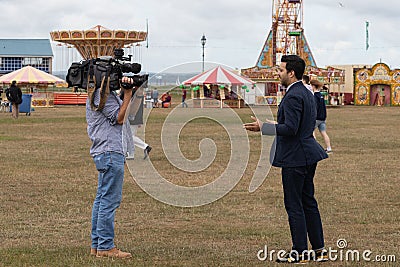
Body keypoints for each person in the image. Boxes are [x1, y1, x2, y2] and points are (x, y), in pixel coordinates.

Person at [244, 55, 328, 264]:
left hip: (296, 156)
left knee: (294, 204)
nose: (277, 73)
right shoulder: (307, 92)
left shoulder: (292, 96)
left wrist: (264, 127)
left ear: (291, 73)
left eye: (281, 70)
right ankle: (319, 250)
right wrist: (272, 122)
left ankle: (299, 252)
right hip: (308, 153)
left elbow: (290, 129)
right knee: (308, 201)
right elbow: (299, 125)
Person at [86, 76, 135, 259]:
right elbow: (119, 118)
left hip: (106, 151)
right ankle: (105, 246)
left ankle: (97, 245)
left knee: (101, 199)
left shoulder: (99, 95)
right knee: (109, 201)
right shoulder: (101, 95)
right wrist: (128, 94)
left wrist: (125, 92)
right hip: (109, 151)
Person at [126, 93, 152, 160]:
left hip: (132, 118)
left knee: (130, 137)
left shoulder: (134, 93)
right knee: (129, 136)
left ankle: (145, 147)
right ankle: (130, 153)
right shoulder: (139, 94)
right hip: (136, 117)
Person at [310, 79, 332, 153]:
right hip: (322, 118)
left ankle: (314, 148)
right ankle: (329, 148)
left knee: (311, 132)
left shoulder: (314, 96)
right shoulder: (321, 96)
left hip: (316, 118)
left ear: (313, 86)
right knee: (323, 133)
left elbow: (314, 108)